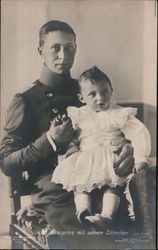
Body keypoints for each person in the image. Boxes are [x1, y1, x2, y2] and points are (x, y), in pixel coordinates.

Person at [0, 20, 152, 249]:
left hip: (102, 176)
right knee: (97, 242)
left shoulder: (88, 89)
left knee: (141, 218)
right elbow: (6, 162)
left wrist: (128, 148)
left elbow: (118, 124)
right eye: (56, 48)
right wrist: (50, 141)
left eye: (70, 47)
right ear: (40, 50)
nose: (64, 54)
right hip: (57, 188)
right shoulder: (25, 99)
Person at [51, 66, 151, 229]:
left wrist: (141, 159)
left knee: (112, 186)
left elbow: (140, 133)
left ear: (111, 91)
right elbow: (71, 137)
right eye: (92, 94)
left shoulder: (118, 113)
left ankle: (107, 216)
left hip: (110, 157)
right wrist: (62, 127)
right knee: (80, 185)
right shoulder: (79, 114)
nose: (100, 98)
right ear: (82, 98)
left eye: (104, 92)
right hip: (86, 158)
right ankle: (83, 210)